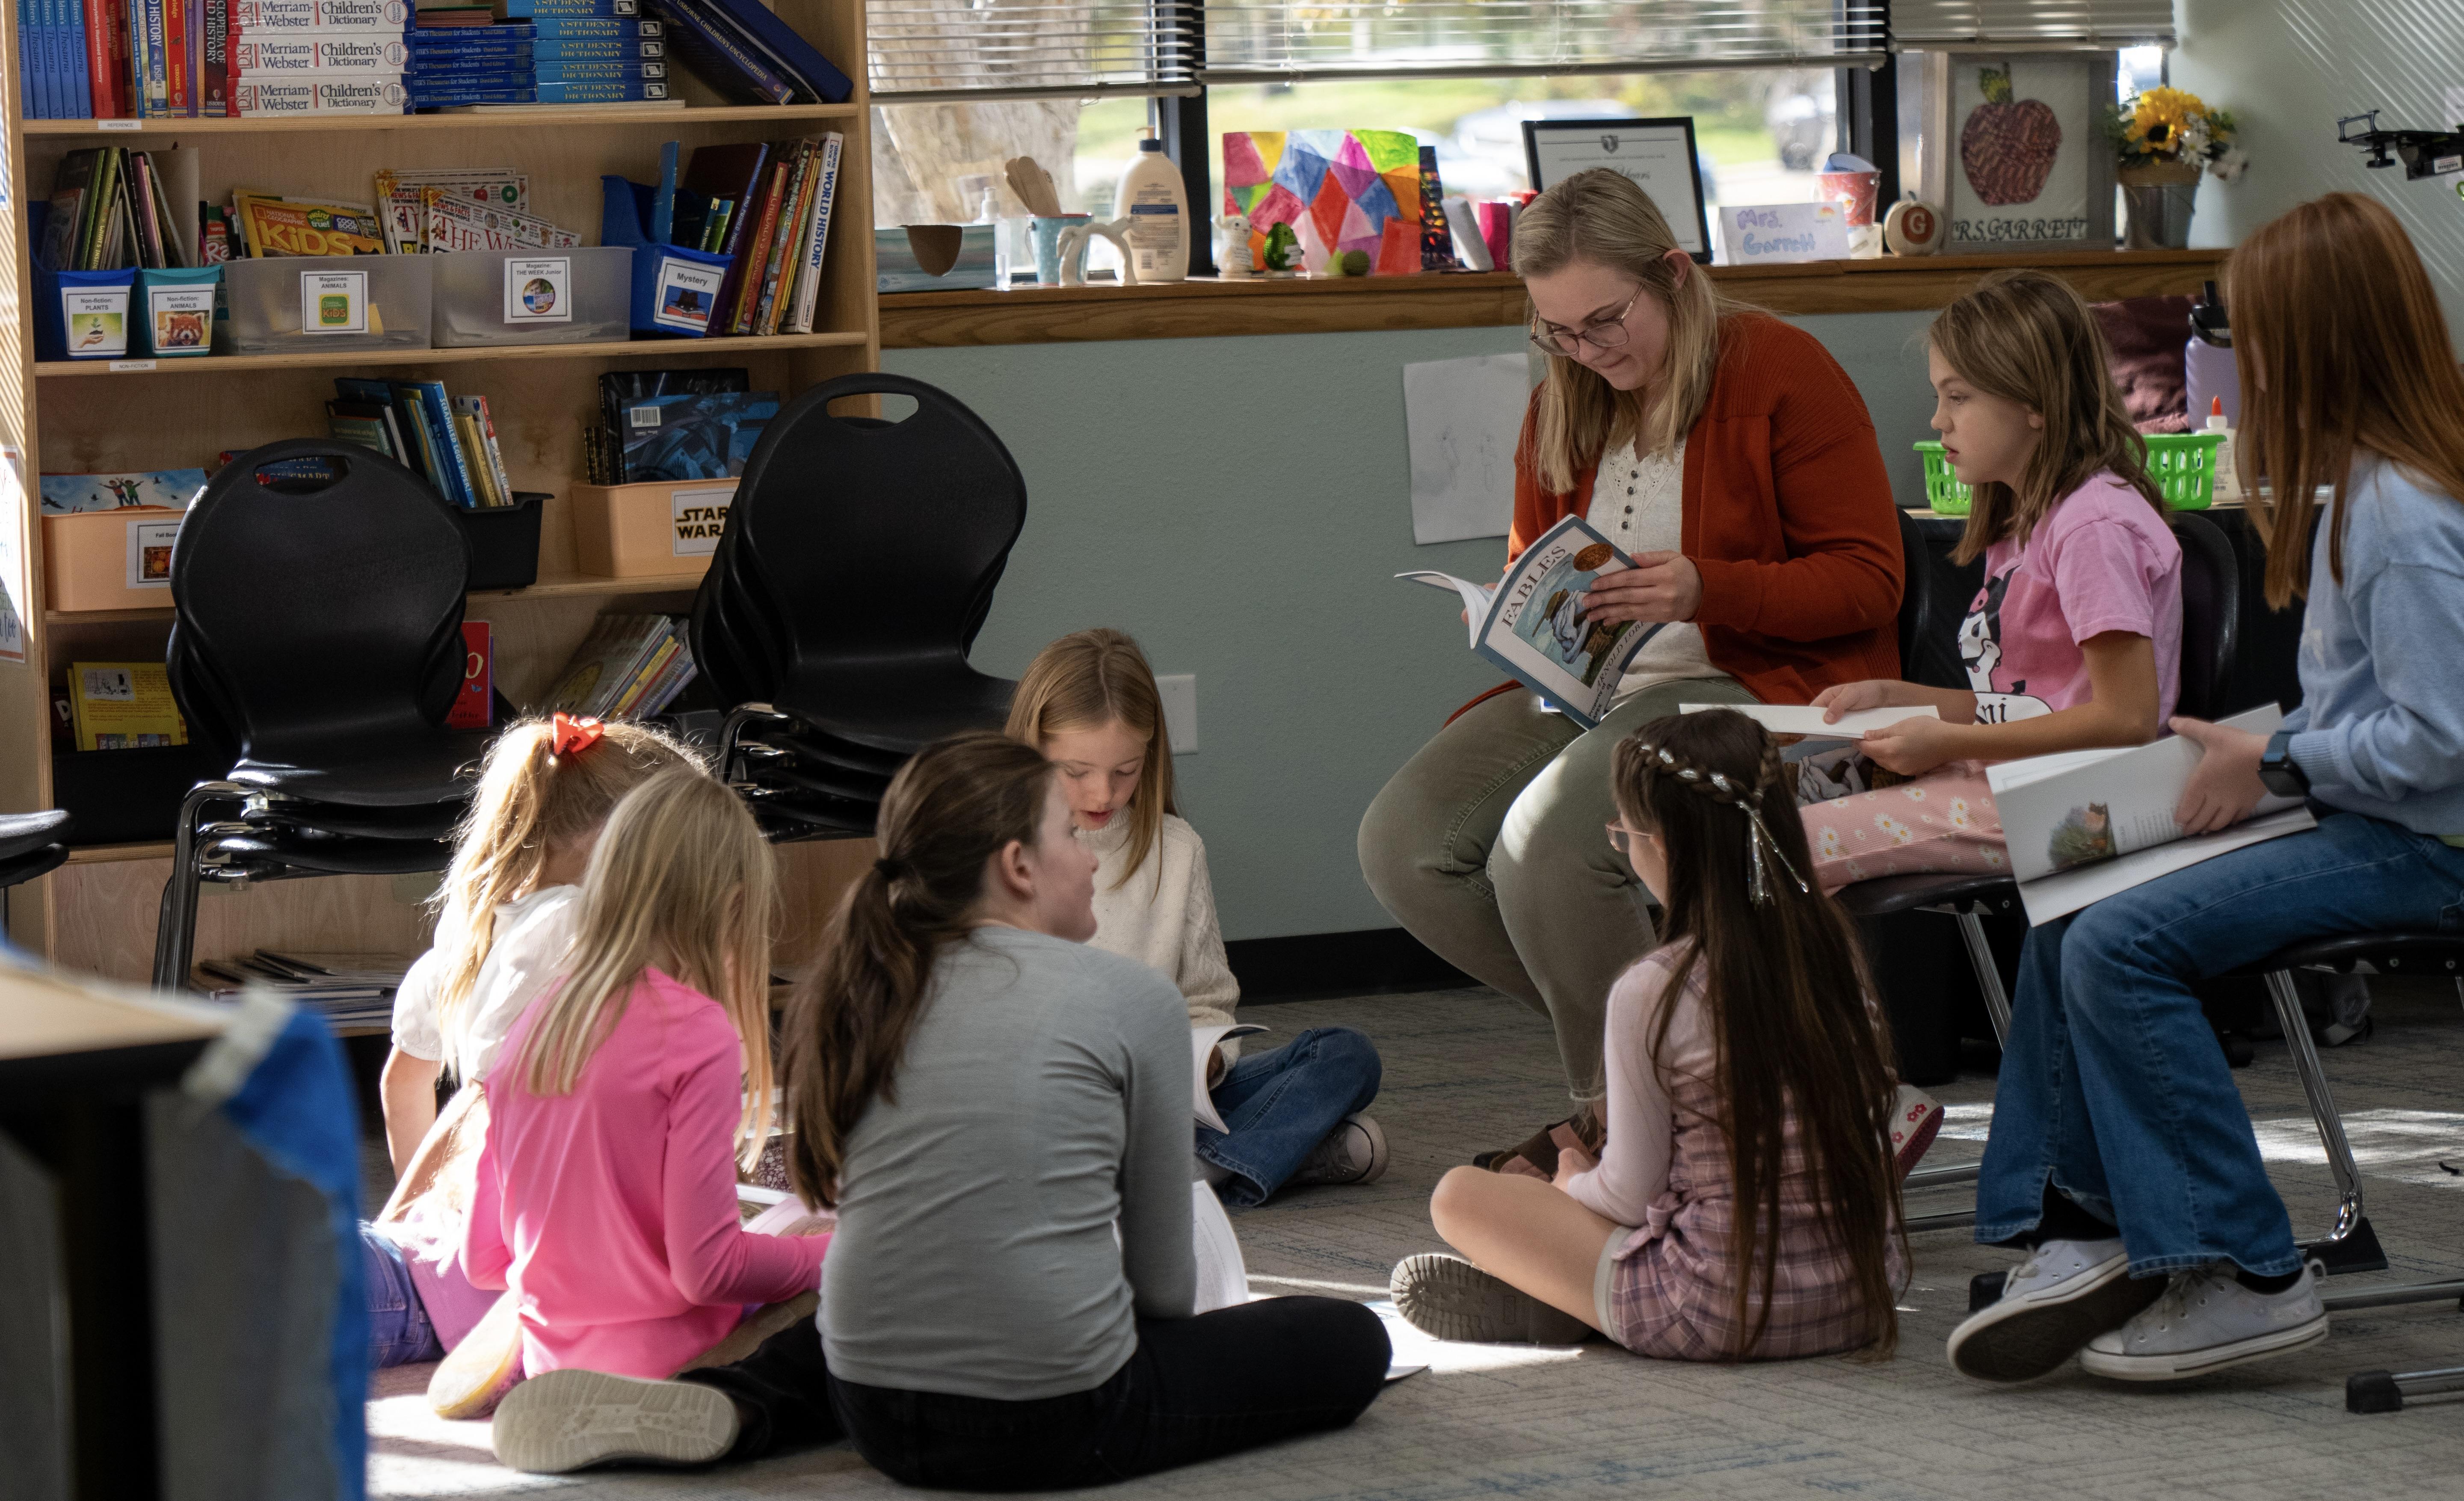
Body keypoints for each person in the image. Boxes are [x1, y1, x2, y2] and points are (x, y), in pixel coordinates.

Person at [487, 733, 1391, 1483]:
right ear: (1018, 866)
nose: (1089, 857)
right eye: (1073, 834)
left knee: (871, 1308)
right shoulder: (1131, 1000)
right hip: (1052, 1421)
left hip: (871, 1403)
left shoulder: (861, 988)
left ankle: (735, 1402)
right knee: (1345, 1337)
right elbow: (1163, 1291)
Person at [1947, 192, 2464, 1384]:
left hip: (2423, 839)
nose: (2238, 361)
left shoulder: (2403, 511)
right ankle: (2087, 1226)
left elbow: (2441, 742)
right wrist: (2264, 751)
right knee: (2073, 874)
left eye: (2256, 335)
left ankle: (2244, 1267)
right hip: (2365, 801)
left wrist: (2275, 760)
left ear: (2316, 343)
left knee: (2122, 940)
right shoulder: (2377, 484)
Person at [1357, 166, 1904, 1171]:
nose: (1588, 351)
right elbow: (1546, 568)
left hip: (1757, 685)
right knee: (1405, 846)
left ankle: (1635, 1127)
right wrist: (1521, 625)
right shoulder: (1565, 404)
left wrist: (1710, 589)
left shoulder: (1783, 368)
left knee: (1548, 850)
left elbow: (1870, 584)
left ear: (1675, 274)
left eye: (1606, 321)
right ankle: (1723, 1074)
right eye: (1557, 331)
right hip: (1597, 690)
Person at [1390, 709, 1905, 1360]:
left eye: (1624, 834)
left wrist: (1572, 1178)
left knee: (1460, 1196)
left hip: (1715, 1309)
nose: (1625, 847)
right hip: (1860, 1294)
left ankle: (1575, 1300)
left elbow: (1630, 1193)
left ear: (1661, 844)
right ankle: (1565, 1296)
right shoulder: (1836, 949)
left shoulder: (1654, 986)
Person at [1796, 269, 2183, 891]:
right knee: (1763, 797)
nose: (1936, 422)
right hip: (2024, 778)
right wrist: (1902, 698)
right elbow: (2031, 704)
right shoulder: (2025, 519)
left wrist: (1944, 738)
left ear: (2034, 401)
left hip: (2091, 802)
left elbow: (2127, 718)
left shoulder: (2094, 526)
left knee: (1789, 842)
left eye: (1958, 397)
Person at [461, 767, 826, 1389]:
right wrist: (834, 1250)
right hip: (679, 1359)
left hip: (555, 1360)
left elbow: (484, 1260)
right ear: (732, 904)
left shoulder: (528, 1028)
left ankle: (568, 1380)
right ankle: (711, 1404)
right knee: (843, 1292)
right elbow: (707, 1271)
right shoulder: (698, 1031)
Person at [363, 713, 697, 1369]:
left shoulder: (472, 934)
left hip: (406, 1261)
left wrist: (417, 1220)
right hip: (417, 1295)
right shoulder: (576, 930)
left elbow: (403, 1083)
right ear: (616, 843)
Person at [1008, 627, 1388, 1202]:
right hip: (1051, 1105)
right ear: (1032, 747)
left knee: (1346, 1056)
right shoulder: (1000, 852)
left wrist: (1208, 1059)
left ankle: (1191, 1169)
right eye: (1076, 770)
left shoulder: (1178, 848)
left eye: (1126, 770)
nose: (1102, 792)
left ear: (1151, 754)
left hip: (1163, 1103)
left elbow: (1206, 1000)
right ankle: (1247, 1163)